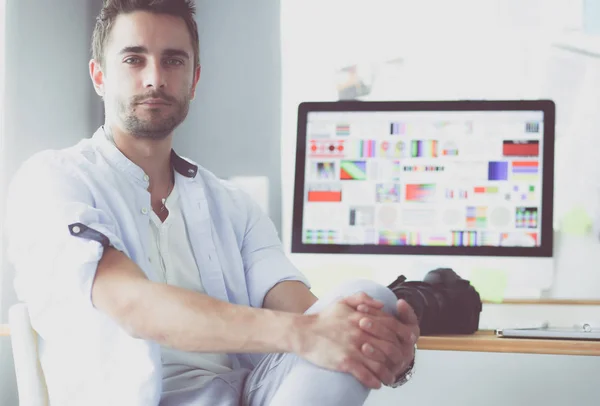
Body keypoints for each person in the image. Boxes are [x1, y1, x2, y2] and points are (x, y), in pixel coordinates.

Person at [5, 1, 420, 405]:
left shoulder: (232, 204)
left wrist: (373, 339)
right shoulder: (53, 180)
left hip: (250, 394)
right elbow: (133, 306)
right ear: (99, 76)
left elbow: (310, 314)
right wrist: (304, 334)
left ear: (194, 79)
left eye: (173, 61)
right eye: (134, 60)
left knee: (367, 296)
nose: (155, 78)